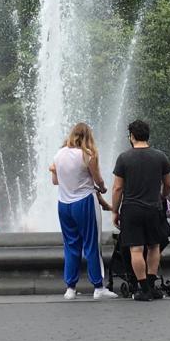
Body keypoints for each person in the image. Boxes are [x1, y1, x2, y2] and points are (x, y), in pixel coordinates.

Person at [49, 123, 117, 300]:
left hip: (63, 205)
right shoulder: (87, 155)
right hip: (84, 202)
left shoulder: (59, 154)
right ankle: (98, 287)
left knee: (71, 245)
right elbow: (98, 179)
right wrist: (102, 188)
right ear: (88, 136)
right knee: (91, 244)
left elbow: (55, 181)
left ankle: (70, 288)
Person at [110, 119, 170, 302]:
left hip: (131, 209)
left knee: (136, 250)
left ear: (131, 136)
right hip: (154, 208)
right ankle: (153, 286)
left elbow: (117, 188)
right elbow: (169, 184)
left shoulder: (124, 158)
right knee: (154, 246)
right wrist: (161, 196)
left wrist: (115, 210)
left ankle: (143, 288)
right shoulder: (160, 156)